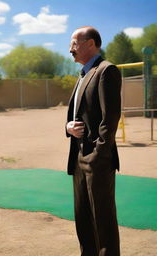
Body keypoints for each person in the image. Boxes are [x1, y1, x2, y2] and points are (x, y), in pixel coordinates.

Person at [66, 26, 121, 256]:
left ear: (91, 44)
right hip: (78, 158)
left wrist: (99, 154)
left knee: (103, 223)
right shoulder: (82, 75)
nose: (70, 48)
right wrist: (68, 127)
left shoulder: (106, 71)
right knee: (84, 220)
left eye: (75, 43)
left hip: (96, 160)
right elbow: (77, 116)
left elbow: (110, 118)